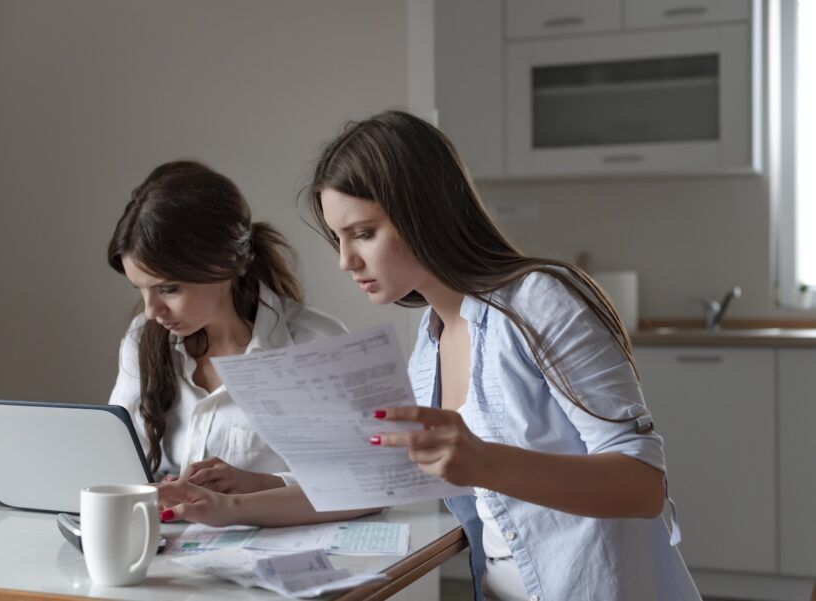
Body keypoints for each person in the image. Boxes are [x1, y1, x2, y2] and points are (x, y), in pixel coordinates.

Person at [158, 112, 699, 600]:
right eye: (338, 239)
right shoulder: (430, 340)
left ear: (424, 213)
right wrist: (239, 501)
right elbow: (380, 483)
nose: (347, 260)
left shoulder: (541, 300)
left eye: (363, 233)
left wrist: (485, 462)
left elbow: (643, 484)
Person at [107, 160, 347, 494]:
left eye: (168, 288)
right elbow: (118, 462)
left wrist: (259, 485)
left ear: (223, 263)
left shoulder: (318, 346)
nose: (151, 312)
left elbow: (356, 483)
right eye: (141, 289)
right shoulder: (141, 341)